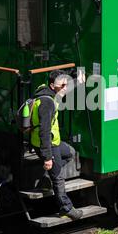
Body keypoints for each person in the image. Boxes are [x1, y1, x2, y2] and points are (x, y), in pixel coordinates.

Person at [30, 70, 83, 220]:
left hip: (54, 142)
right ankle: (66, 208)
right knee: (58, 177)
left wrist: (77, 80)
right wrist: (47, 157)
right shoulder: (47, 103)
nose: (65, 87)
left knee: (70, 152)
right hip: (46, 144)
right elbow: (44, 132)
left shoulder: (48, 92)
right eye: (63, 85)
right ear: (53, 85)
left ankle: (47, 176)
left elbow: (65, 87)